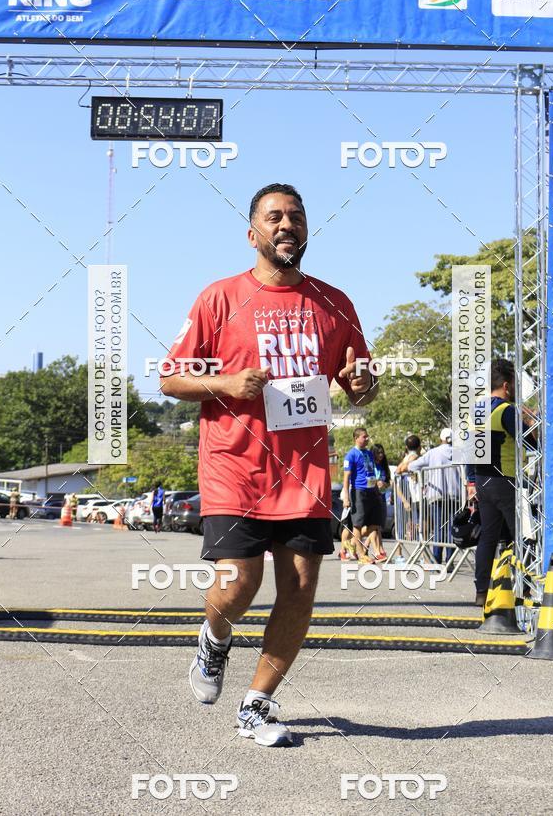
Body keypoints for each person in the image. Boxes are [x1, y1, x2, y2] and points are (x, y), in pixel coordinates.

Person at [162, 182, 377, 747]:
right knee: (239, 582)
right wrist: (225, 383)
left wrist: (361, 384)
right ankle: (214, 638)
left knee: (301, 587)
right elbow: (169, 377)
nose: (287, 225)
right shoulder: (220, 298)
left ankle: (257, 704)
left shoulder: (335, 303)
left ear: (306, 230)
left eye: (296, 217)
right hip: (236, 466)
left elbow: (361, 388)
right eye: (274, 217)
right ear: (252, 232)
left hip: (305, 473)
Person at [472, 358, 537, 607]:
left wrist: (471, 482)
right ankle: (524, 588)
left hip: (482, 479)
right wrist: (532, 424)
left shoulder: (477, 410)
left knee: (488, 536)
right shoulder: (506, 410)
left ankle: (481, 592)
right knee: (520, 535)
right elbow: (530, 443)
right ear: (507, 386)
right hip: (506, 478)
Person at [407, 428, 462, 565]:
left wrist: (423, 475)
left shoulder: (433, 453)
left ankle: (436, 560)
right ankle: (450, 561)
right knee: (451, 527)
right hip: (455, 495)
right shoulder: (459, 453)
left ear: (441, 439)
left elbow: (412, 466)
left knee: (438, 527)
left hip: (436, 494)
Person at [342, 428, 386, 563]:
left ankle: (352, 543)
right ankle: (361, 555)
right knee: (357, 525)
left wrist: (377, 490)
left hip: (372, 491)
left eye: (367, 437)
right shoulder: (351, 454)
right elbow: (346, 477)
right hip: (358, 491)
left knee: (375, 523)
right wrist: (346, 497)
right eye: (364, 437)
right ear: (356, 438)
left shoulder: (368, 453)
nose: (367, 439)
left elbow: (371, 471)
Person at [394, 434, 423, 563]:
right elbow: (398, 474)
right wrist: (404, 500)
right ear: (420, 446)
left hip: (414, 496)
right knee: (401, 525)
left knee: (419, 525)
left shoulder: (412, 458)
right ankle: (399, 555)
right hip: (405, 496)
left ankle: (421, 554)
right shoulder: (412, 458)